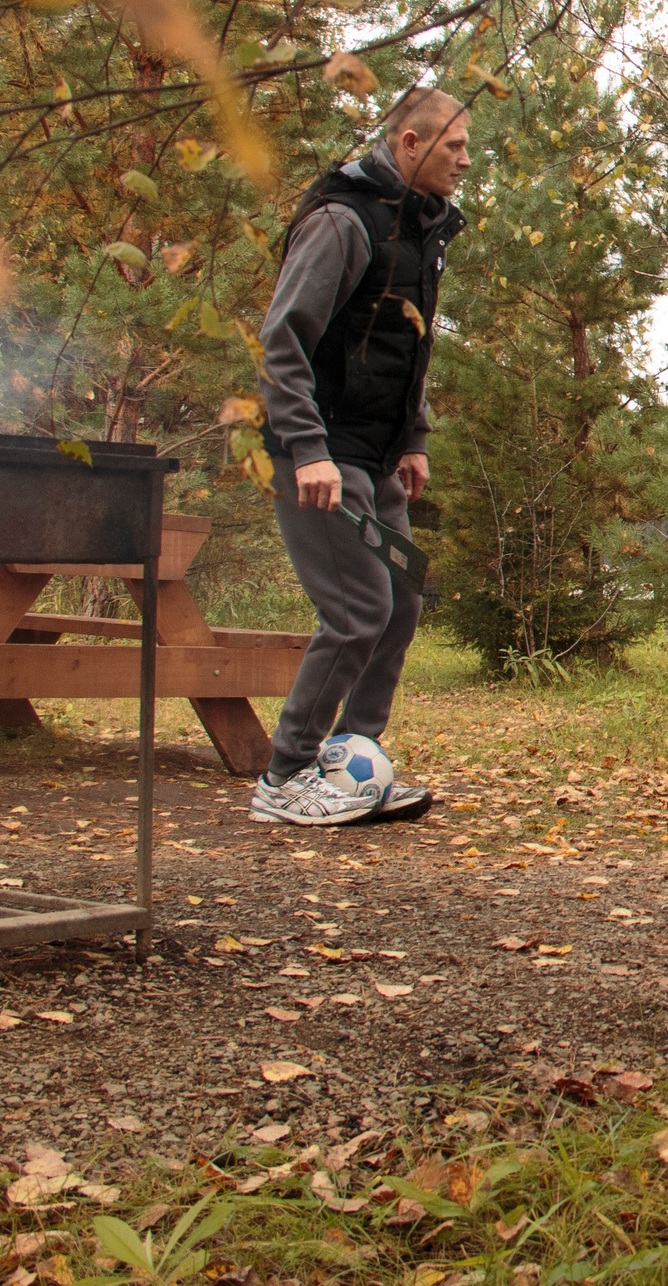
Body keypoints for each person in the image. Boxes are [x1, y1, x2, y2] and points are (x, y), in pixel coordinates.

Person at [250, 86, 469, 826]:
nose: (465, 162)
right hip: (319, 455)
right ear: (409, 143)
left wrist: (413, 437)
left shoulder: (420, 230)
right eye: (453, 147)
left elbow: (405, 344)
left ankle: (353, 763)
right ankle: (283, 776)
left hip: (375, 458)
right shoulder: (344, 221)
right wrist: (307, 449)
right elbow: (284, 340)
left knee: (402, 597)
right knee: (357, 609)